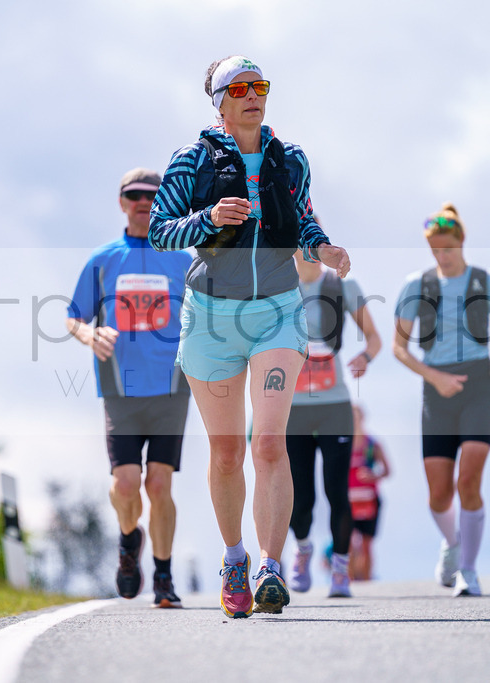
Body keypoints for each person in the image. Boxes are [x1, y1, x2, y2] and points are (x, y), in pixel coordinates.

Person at [149, 55, 351, 618]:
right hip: (211, 316)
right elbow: (162, 233)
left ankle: (269, 565)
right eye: (237, 88)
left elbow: (304, 222)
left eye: (258, 85)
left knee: (268, 443)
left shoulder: (291, 160)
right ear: (218, 101)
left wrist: (324, 248)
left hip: (278, 314)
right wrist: (210, 217)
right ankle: (234, 558)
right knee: (225, 452)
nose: (251, 95)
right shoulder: (191, 161)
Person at [66, 168, 193, 608]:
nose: (143, 201)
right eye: (133, 194)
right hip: (120, 391)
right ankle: (127, 541)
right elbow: (74, 316)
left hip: (172, 387)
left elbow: (213, 312)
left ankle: (163, 577)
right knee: (125, 486)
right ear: (122, 202)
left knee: (159, 486)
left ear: (164, 201)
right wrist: (89, 335)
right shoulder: (102, 260)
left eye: (152, 194)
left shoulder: (183, 259)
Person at [393, 202, 490, 597]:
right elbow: (399, 348)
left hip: (479, 385)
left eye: (448, 246)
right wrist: (433, 377)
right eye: (435, 248)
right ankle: (452, 544)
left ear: (461, 242)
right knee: (438, 494)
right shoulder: (415, 285)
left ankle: (468, 570)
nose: (442, 254)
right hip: (436, 390)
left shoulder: (487, 281)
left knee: (468, 480)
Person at [286, 249, 381, 598]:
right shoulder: (280, 286)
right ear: (294, 249)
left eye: (318, 242)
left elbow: (375, 338)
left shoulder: (343, 285)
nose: (311, 250)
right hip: (294, 406)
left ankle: (341, 567)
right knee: (301, 495)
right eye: (304, 242)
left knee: (336, 490)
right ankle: (303, 548)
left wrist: (365, 357)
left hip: (335, 404)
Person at [347, 404, 390, 581]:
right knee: (347, 544)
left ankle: (367, 582)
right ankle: (346, 582)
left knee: (366, 544)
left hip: (369, 500)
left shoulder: (373, 444)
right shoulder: (342, 444)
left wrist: (373, 475)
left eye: (357, 416)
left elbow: (387, 471)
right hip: (347, 500)